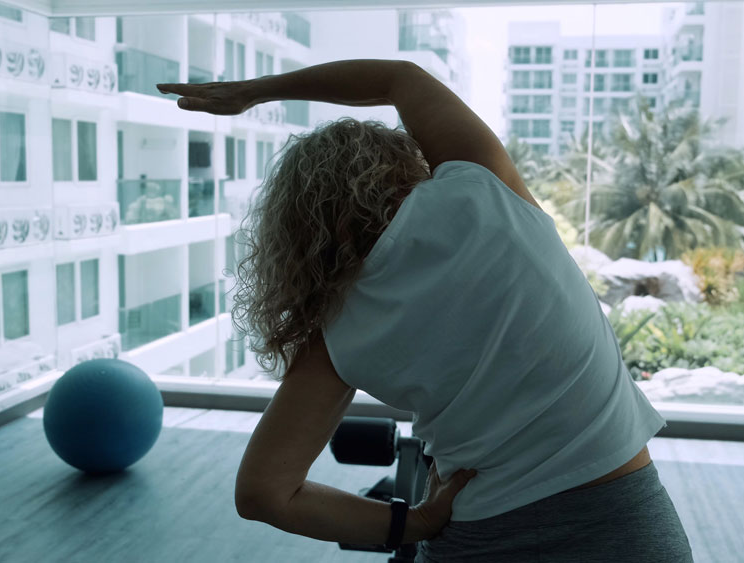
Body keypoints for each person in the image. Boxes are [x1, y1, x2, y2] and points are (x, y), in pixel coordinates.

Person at [157, 59, 693, 562]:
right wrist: (254, 90)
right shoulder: (486, 192)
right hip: (626, 524)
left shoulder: (335, 332)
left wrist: (410, 525)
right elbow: (399, 77)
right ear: (400, 165)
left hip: (478, 537)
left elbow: (264, 493)